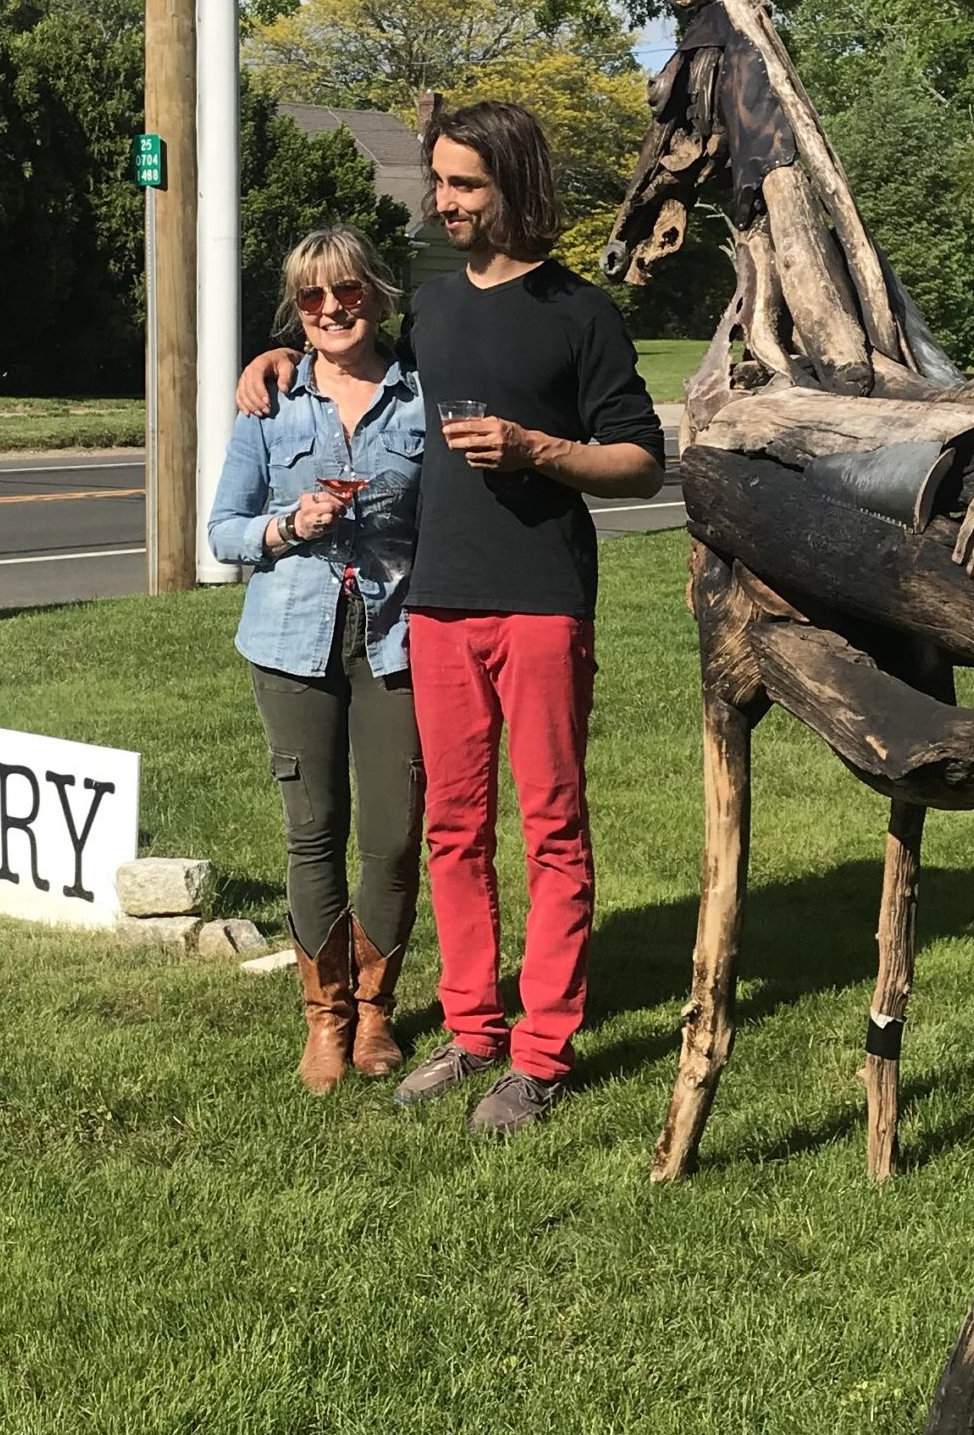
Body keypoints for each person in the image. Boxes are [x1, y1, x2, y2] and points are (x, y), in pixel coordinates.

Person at [238, 100, 664, 1135]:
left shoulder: (581, 315)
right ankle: (473, 1030)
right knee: (454, 829)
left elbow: (642, 460)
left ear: (514, 184)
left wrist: (538, 453)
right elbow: (346, 354)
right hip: (432, 607)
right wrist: (273, 361)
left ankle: (543, 1051)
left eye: (463, 183)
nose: (442, 200)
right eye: (438, 181)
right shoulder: (429, 311)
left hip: (541, 605)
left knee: (552, 827)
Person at [207, 228, 426, 1093]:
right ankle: (326, 1019)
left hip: (396, 638)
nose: (333, 310)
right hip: (290, 638)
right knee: (313, 833)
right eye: (312, 298)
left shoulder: (418, 396)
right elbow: (222, 529)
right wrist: (283, 526)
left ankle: (377, 1009)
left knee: (396, 834)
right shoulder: (272, 403)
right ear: (297, 310)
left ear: (374, 292)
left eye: (348, 292)